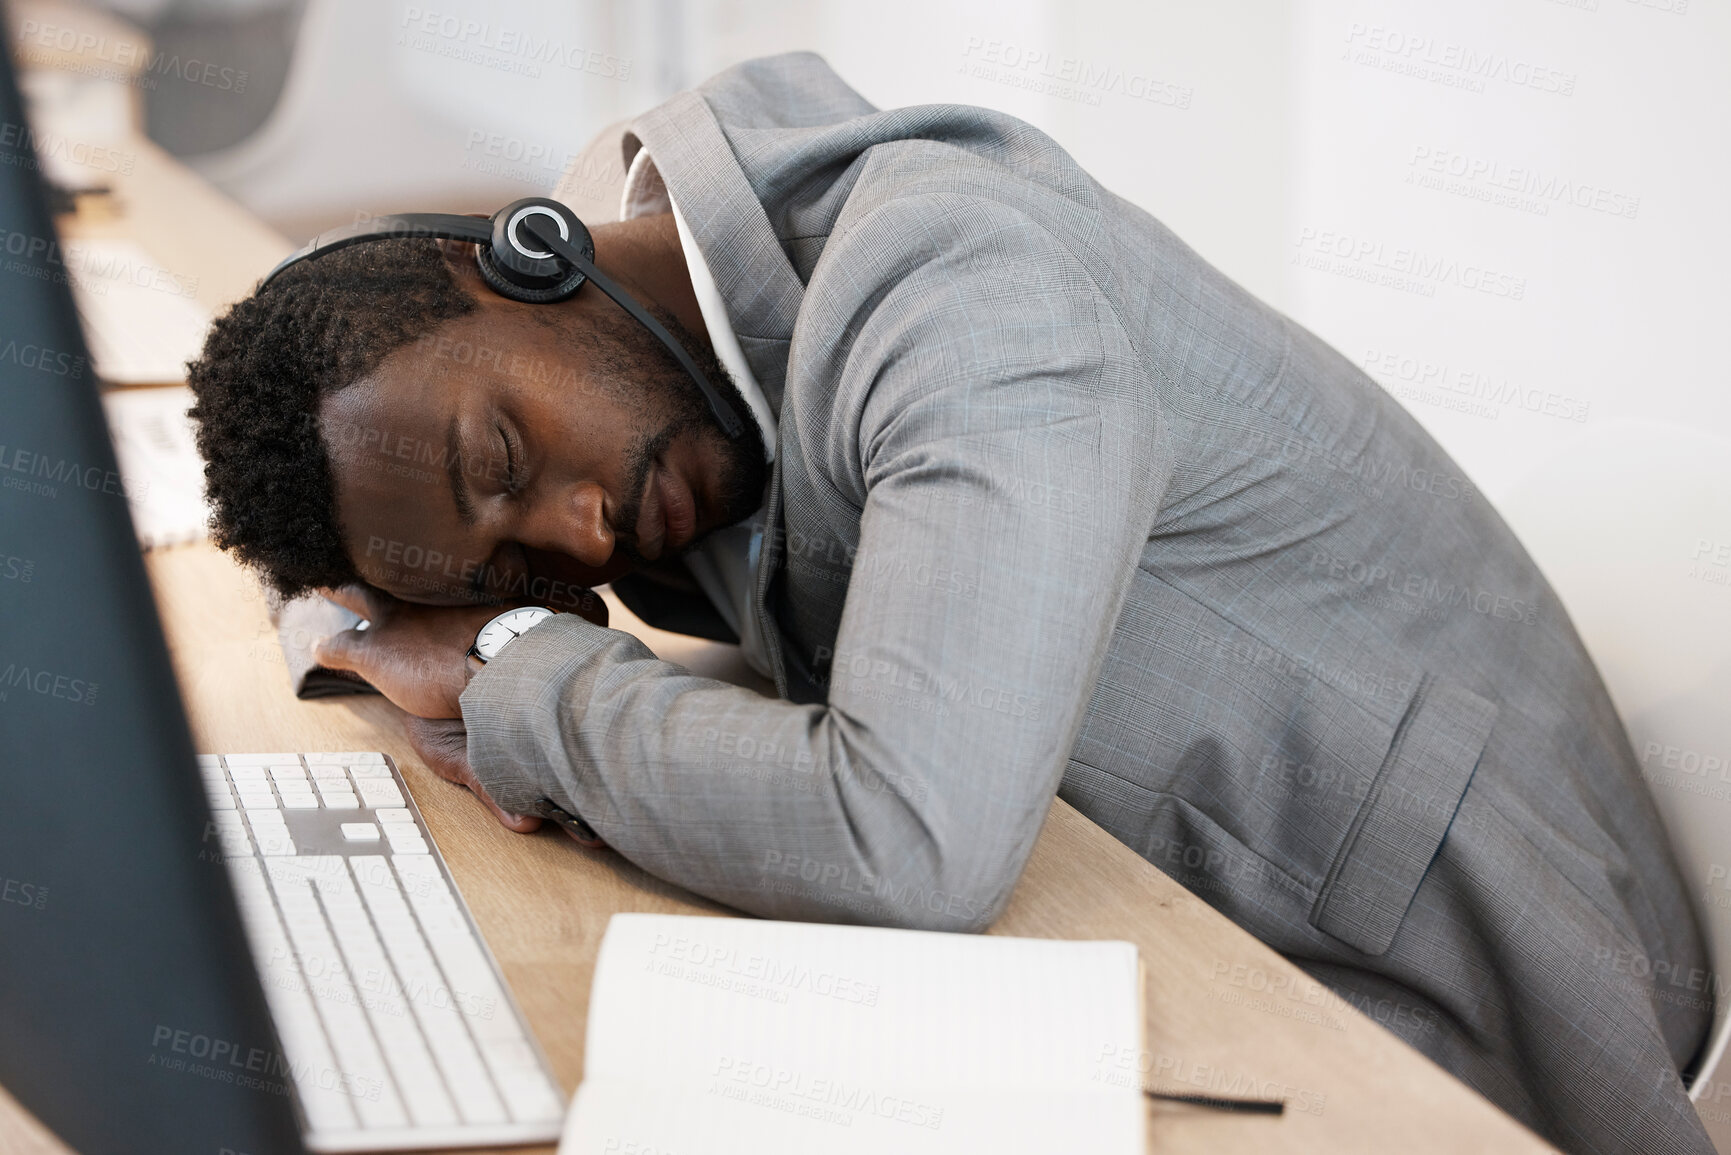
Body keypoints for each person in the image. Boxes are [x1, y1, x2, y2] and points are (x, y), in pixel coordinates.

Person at [185, 52, 1714, 1155]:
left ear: (520, 258)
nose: (580, 525)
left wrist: (516, 662)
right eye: (518, 561)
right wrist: (361, 615)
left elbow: (904, 842)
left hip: (1444, 1011)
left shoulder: (966, 298)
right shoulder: (640, 294)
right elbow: (365, 520)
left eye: (505, 453)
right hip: (1161, 890)